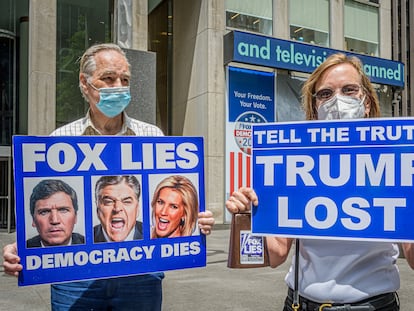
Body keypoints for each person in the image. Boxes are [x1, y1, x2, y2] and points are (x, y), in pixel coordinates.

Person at [3, 43, 215, 310]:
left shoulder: (153, 137)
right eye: (108, 78)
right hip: (75, 282)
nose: (119, 86)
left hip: (140, 278)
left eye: (125, 79)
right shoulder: (58, 142)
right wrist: (20, 248)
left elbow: (173, 204)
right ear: (85, 82)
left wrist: (198, 222)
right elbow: (40, 215)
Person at [226, 53, 414, 311]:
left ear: (367, 101)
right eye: (325, 94)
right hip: (301, 304)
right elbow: (277, 254)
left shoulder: (397, 159)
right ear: (314, 107)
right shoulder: (293, 161)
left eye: (349, 90)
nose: (338, 101)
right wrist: (249, 215)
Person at [27, 179, 84, 248]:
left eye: (63, 210)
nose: (55, 220)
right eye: (44, 212)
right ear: (33, 220)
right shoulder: (19, 251)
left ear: (75, 217)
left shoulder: (93, 245)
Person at [94, 175, 143, 243]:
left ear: (137, 209)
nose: (117, 208)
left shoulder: (153, 235)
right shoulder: (85, 239)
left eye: (127, 202)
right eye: (108, 202)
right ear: (98, 209)